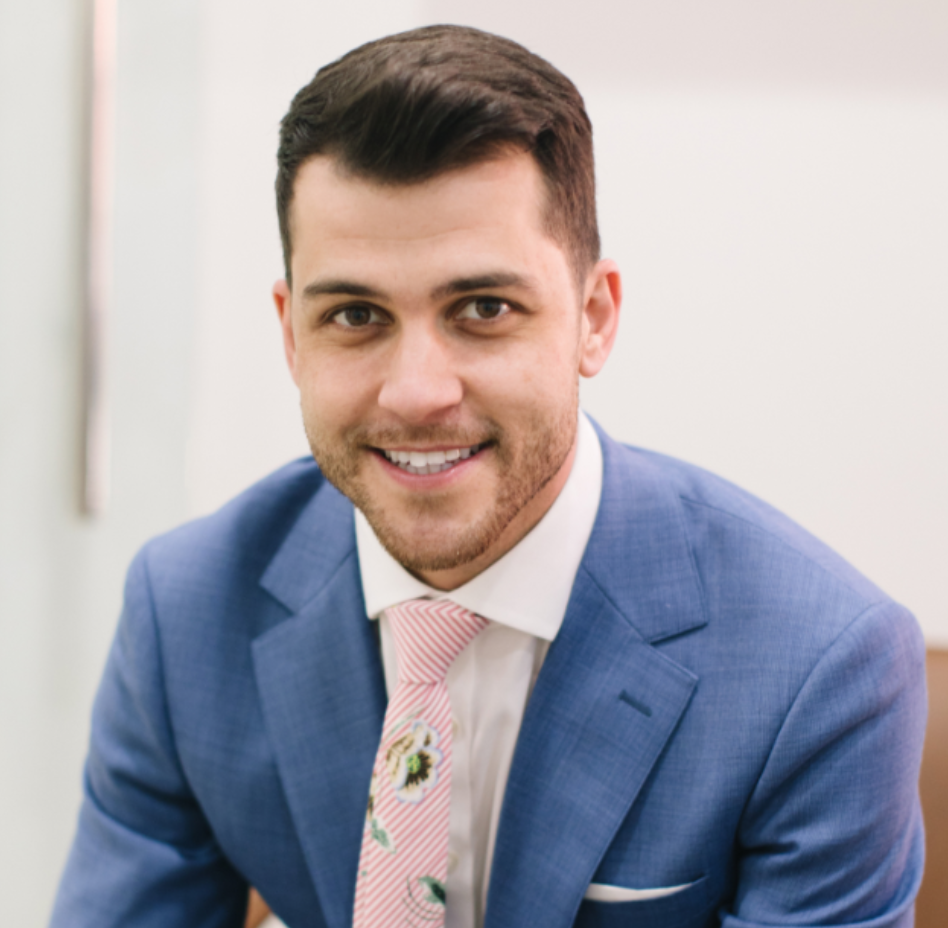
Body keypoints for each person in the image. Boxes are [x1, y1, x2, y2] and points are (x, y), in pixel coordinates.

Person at [51, 24, 926, 928]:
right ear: (291, 335)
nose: (417, 392)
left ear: (594, 317)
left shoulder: (820, 667)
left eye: (482, 307)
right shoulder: (186, 614)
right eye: (355, 315)